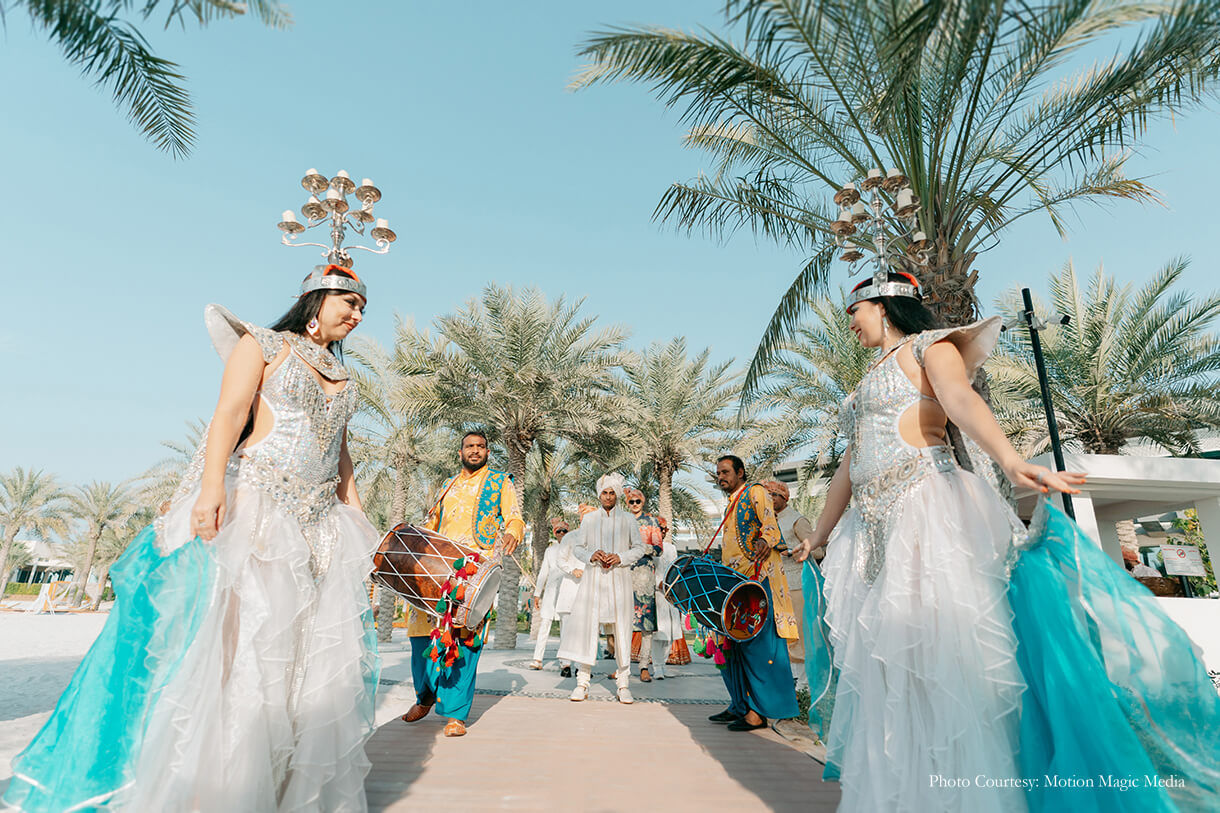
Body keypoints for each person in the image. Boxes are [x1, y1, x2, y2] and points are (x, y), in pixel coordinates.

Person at [792, 271, 1220, 812]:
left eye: (853, 311)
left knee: (950, 668)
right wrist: (822, 535)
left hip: (929, 514)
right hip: (871, 534)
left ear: (881, 306)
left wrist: (1013, 461)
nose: (848, 323)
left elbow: (960, 400)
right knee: (891, 680)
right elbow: (848, 467)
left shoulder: (931, 348)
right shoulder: (858, 391)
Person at [5, 264, 382, 812]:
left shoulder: (346, 378)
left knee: (303, 660)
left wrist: (359, 518)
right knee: (246, 647)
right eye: (349, 302)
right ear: (316, 299)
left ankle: (277, 789)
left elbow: (341, 455)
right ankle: (215, 789)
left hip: (320, 526)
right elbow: (228, 415)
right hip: (258, 510)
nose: (357, 314)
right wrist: (209, 491)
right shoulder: (264, 344)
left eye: (363, 308)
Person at [401, 430, 523, 738]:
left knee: (465, 640)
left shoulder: (500, 483)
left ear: (487, 452)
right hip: (436, 570)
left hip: (473, 571)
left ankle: (456, 715)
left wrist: (513, 532)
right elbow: (432, 525)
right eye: (469, 446)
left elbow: (514, 517)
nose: (475, 450)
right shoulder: (447, 485)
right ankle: (425, 696)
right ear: (460, 453)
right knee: (420, 636)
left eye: (481, 446)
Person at [706, 456, 800, 731]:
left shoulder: (755, 492)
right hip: (736, 585)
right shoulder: (732, 502)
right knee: (735, 647)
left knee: (760, 648)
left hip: (758, 582)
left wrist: (764, 539)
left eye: (725, 472)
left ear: (740, 472)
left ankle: (759, 713)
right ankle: (740, 705)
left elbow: (770, 525)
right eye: (718, 473)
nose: (721, 477)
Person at [557, 473, 645, 703]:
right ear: (599, 494)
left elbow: (639, 549)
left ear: (617, 495)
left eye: (612, 492)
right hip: (594, 581)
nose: (608, 496)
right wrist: (591, 555)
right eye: (604, 492)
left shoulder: (628, 520)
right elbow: (578, 548)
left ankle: (623, 684)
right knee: (588, 627)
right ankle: (582, 682)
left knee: (622, 630)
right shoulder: (590, 519)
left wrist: (620, 557)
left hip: (620, 580)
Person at [761, 480, 814, 671]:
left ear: (784, 497)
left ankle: (803, 682)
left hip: (797, 584)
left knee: (799, 633)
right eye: (768, 496)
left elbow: (818, 552)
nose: (771, 499)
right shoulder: (766, 522)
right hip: (773, 586)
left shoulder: (797, 520)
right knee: (780, 634)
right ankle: (787, 678)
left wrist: (792, 551)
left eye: (774, 495)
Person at [624, 487, 664, 682]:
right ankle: (622, 666)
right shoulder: (621, 521)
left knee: (646, 623)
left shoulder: (651, 522)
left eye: (637, 501)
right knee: (622, 621)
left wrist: (639, 548)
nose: (634, 505)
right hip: (623, 574)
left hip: (644, 575)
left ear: (643, 502)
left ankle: (643, 666)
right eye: (631, 501)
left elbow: (658, 549)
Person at [529, 519, 574, 672]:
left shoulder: (574, 549)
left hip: (567, 592)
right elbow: (543, 573)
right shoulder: (550, 550)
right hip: (550, 592)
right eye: (558, 531)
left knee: (566, 627)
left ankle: (565, 663)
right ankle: (537, 659)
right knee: (545, 625)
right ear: (555, 533)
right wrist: (537, 594)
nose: (562, 533)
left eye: (564, 531)